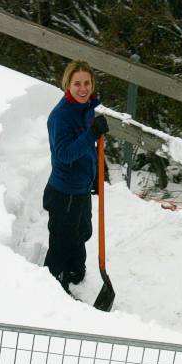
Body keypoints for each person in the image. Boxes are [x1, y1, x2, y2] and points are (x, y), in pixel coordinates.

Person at [43, 60, 109, 293]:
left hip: (81, 186)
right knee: (62, 241)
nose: (83, 89)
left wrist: (98, 173)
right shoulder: (61, 116)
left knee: (82, 232)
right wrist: (91, 133)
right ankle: (53, 284)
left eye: (87, 83)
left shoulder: (86, 109)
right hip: (64, 192)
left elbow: (87, 148)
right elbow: (64, 154)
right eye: (77, 84)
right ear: (67, 85)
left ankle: (74, 268)